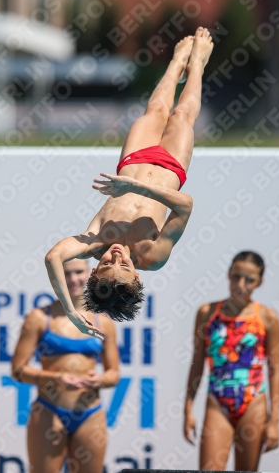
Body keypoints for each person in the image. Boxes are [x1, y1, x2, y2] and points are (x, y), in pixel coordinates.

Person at [45, 28, 214, 337]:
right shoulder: (152, 255)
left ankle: (176, 62)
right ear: (138, 277)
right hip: (170, 168)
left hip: (133, 161)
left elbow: (53, 256)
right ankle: (199, 64)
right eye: (124, 266)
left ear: (94, 269)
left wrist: (70, 310)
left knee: (156, 109)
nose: (118, 256)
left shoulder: (94, 241)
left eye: (109, 263)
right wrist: (136, 188)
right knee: (182, 115)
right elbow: (185, 206)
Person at [11, 259, 119, 473]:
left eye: (78, 272)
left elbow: (113, 374)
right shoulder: (39, 318)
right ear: (55, 277)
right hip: (48, 412)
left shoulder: (103, 321)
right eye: (65, 273)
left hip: (90, 413)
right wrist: (54, 378)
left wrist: (98, 380)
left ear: (90, 273)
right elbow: (18, 370)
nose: (72, 279)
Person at [183, 251, 279, 471]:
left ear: (259, 283)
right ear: (228, 273)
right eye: (236, 276)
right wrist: (187, 410)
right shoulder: (207, 313)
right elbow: (197, 363)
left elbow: (274, 371)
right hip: (218, 400)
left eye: (250, 280)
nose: (241, 284)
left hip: (253, 401)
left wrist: (274, 421)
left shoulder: (267, 318)